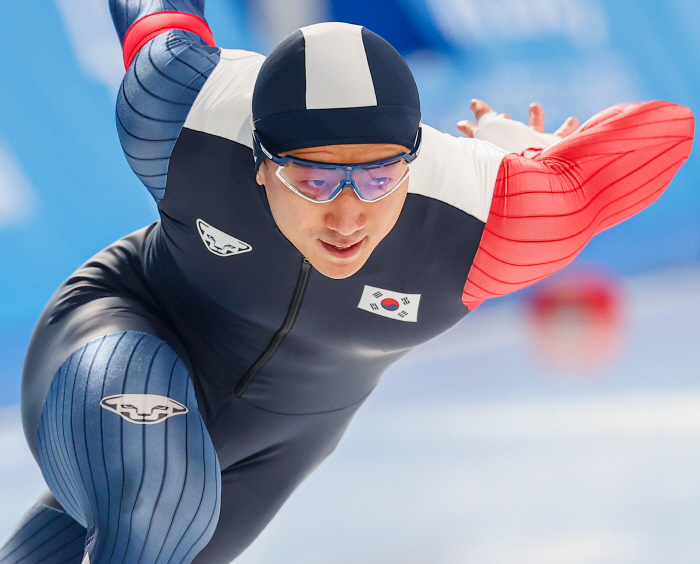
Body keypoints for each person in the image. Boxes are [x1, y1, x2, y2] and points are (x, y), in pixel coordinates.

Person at [0, 1, 693, 563]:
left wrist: (535, 155)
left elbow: (670, 128)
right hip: (128, 329)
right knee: (153, 497)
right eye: (316, 177)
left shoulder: (489, 216)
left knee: (136, 521)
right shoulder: (183, 117)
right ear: (263, 161)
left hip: (278, 443)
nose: (348, 213)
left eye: (380, 175)